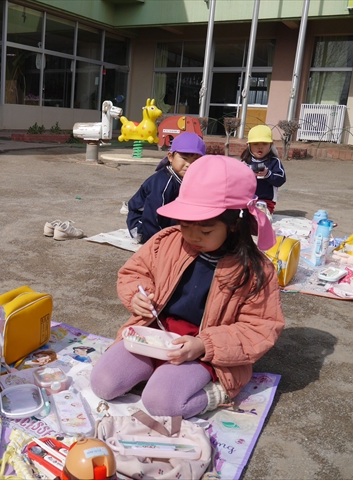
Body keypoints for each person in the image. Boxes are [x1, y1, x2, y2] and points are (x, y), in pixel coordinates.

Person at [91, 155, 284, 419]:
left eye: (205, 231)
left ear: (234, 225)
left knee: (161, 403)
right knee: (103, 383)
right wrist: (137, 295)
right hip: (155, 333)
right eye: (184, 225)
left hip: (207, 352)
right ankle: (156, 374)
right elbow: (134, 272)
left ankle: (216, 392)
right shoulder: (166, 241)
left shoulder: (254, 270)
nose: (192, 236)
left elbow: (260, 327)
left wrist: (204, 345)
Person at [126, 132, 206, 244]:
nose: (189, 164)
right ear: (170, 157)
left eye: (195, 161)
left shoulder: (188, 177)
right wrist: (158, 242)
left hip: (165, 217)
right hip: (142, 224)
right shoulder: (163, 183)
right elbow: (153, 216)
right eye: (184, 158)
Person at [240, 124, 286, 213]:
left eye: (264, 144)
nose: (260, 147)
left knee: (260, 215)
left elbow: (280, 180)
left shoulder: (274, 162)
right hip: (247, 199)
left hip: (266, 201)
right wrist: (241, 171)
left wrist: (268, 174)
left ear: (271, 145)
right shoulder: (245, 162)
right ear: (249, 145)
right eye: (255, 144)